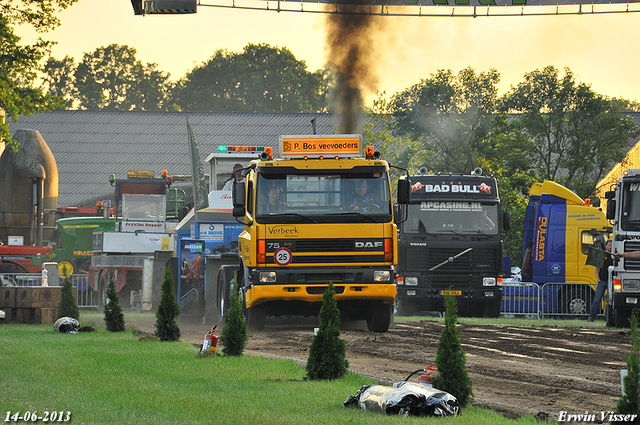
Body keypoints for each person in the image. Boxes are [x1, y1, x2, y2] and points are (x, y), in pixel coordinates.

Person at [588, 239, 613, 322]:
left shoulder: (614, 256)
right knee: (597, 300)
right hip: (602, 281)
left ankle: (608, 318)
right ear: (606, 246)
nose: (610, 247)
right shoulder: (602, 255)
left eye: (612, 245)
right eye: (609, 245)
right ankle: (591, 317)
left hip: (612, 282)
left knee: (610, 301)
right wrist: (598, 278)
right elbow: (596, 267)